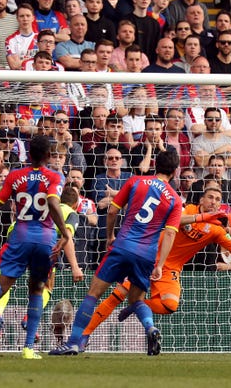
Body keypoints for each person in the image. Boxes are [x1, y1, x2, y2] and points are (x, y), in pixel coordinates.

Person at [76, 186, 231, 349]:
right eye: (210, 197)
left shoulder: (217, 229)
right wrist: (201, 218)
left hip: (171, 268)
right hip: (148, 258)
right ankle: (84, 335)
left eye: (217, 199)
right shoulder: (188, 209)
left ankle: (137, 306)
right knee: (118, 295)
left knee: (170, 305)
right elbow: (175, 220)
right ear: (201, 200)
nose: (213, 201)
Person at [48, 150, 180, 356]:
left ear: (155, 165)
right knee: (136, 299)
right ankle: (150, 328)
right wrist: (160, 264)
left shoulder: (136, 181)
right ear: (174, 171)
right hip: (146, 254)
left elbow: (112, 210)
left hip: (123, 245)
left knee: (93, 294)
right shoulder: (175, 199)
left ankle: (73, 342)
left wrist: (110, 236)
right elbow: (170, 235)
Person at [0, 135, 70, 360]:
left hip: (20, 235)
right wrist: (65, 233)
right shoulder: (55, 176)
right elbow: (52, 201)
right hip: (45, 239)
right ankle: (28, 348)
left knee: (1, 290)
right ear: (49, 155)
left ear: (28, 154)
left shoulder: (15, 175)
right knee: (37, 289)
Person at [0, 184, 84, 348]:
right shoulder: (71, 213)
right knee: (43, 287)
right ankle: (29, 317)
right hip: (42, 243)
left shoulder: (46, 204)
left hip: (16, 233)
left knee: (5, 281)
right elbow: (67, 237)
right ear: (76, 204)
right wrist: (75, 266)